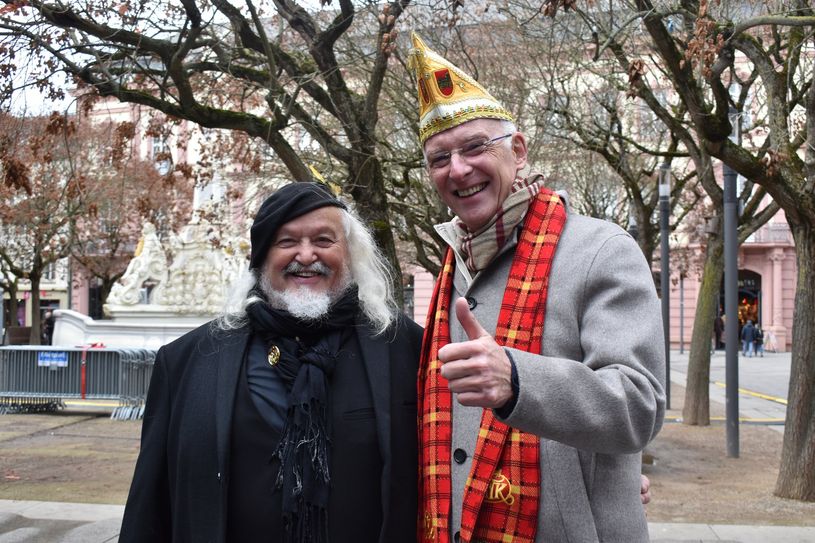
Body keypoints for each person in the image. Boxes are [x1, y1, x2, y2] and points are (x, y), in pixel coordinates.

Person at [408, 33, 666, 543]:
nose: (458, 169)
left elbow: (639, 405)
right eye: (440, 158)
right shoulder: (451, 263)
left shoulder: (601, 249)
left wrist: (519, 380)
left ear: (518, 150)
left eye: (475, 147)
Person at [119, 182, 423, 543]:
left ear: (350, 255)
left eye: (324, 241)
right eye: (287, 242)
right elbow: (149, 508)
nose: (306, 255)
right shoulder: (185, 361)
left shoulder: (407, 349)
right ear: (262, 258)